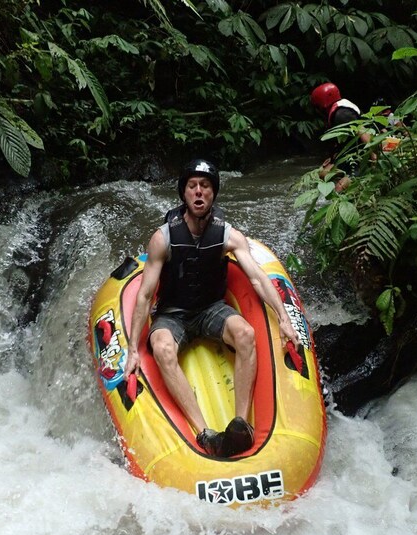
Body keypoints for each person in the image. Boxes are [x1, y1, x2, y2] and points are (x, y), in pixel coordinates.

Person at [123, 159, 300, 458]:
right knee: (163, 348)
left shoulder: (229, 237)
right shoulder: (162, 238)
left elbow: (256, 278)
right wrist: (131, 349)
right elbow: (144, 296)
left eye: (205, 186)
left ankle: (241, 425)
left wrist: (283, 318)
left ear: (213, 194)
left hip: (211, 309)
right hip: (172, 314)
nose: (199, 192)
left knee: (245, 333)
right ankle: (204, 433)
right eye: (192, 186)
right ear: (184, 194)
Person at [310, 82, 372, 192]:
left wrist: (374, 155)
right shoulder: (339, 110)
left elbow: (362, 131)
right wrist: (333, 157)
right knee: (322, 174)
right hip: (351, 156)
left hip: (360, 158)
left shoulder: (341, 114)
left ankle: (348, 189)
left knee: (339, 188)